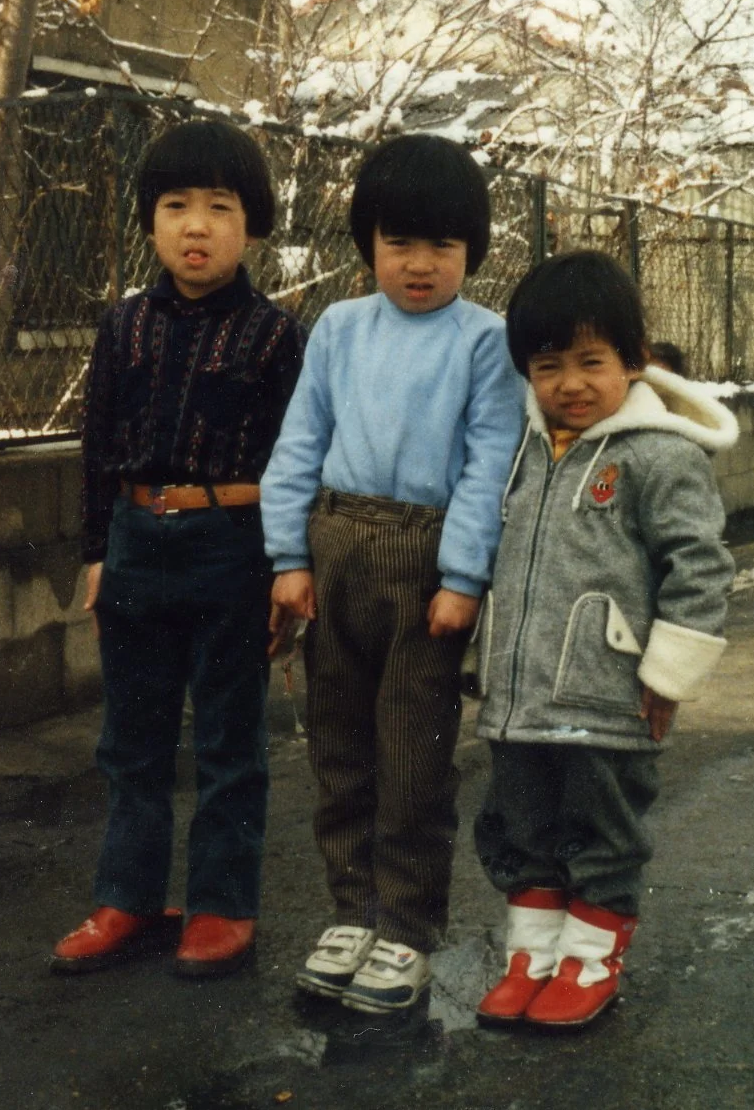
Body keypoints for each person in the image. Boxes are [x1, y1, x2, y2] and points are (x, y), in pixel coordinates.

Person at [260, 133, 524, 1014]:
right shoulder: (338, 327)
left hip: (425, 565)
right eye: (399, 243)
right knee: (339, 745)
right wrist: (289, 557)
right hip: (335, 548)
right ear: (368, 243)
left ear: (471, 252)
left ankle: (406, 925)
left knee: (412, 757)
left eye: (442, 247)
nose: (419, 265)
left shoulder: (486, 341)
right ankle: (352, 909)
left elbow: (489, 464)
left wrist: (463, 577)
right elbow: (299, 441)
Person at [51, 119, 307, 979]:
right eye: (175, 206)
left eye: (219, 207)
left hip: (231, 545)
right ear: (150, 222)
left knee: (232, 739)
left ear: (252, 222)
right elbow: (96, 445)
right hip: (134, 543)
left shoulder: (276, 335)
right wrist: (96, 551)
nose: (196, 226)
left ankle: (222, 906)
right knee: (132, 738)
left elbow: (295, 458)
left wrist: (284, 567)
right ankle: (126, 894)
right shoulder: (122, 327)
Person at [471, 250, 738, 1029]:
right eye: (549, 365)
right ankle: (534, 955)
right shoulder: (524, 450)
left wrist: (669, 673)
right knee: (522, 828)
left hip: (611, 698)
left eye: (593, 361)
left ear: (634, 360)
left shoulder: (659, 454)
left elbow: (700, 565)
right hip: (521, 701)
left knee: (601, 832)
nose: (571, 383)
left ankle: (591, 961)